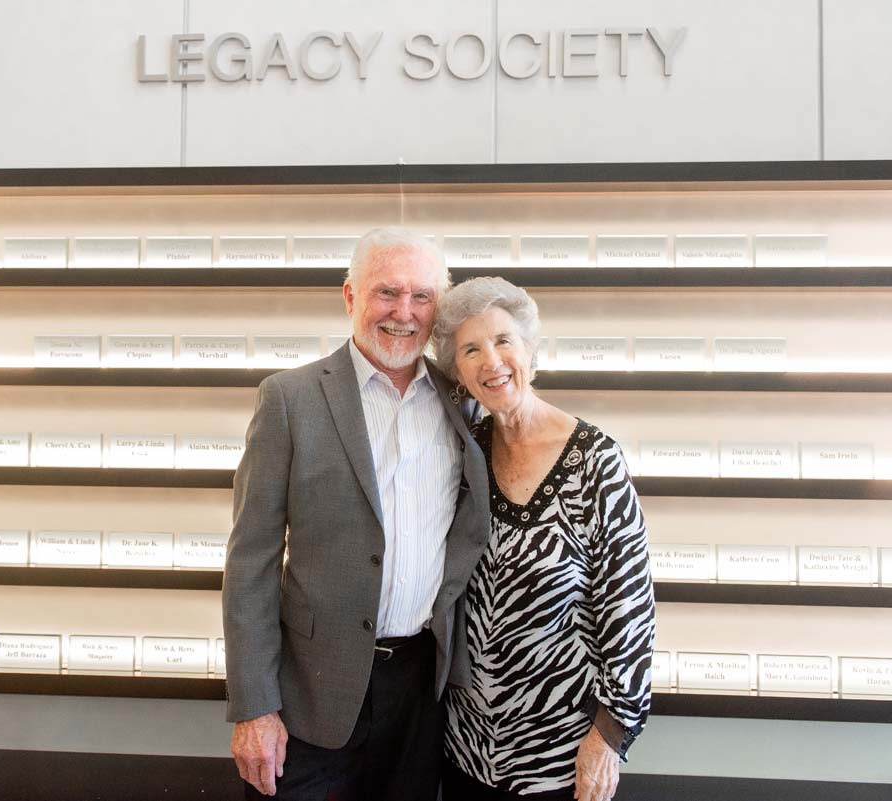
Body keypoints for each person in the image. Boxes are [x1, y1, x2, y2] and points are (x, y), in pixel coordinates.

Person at [222, 227, 490, 801]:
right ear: (350, 297)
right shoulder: (289, 400)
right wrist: (254, 707)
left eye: (421, 296)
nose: (404, 312)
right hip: (310, 694)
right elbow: (251, 562)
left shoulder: (462, 400)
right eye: (387, 293)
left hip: (422, 694)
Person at [430, 277, 655, 801]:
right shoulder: (466, 454)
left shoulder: (596, 461)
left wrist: (610, 737)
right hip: (466, 747)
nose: (492, 360)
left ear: (530, 350)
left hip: (561, 755)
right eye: (471, 348)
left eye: (504, 340)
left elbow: (630, 613)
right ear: (457, 373)